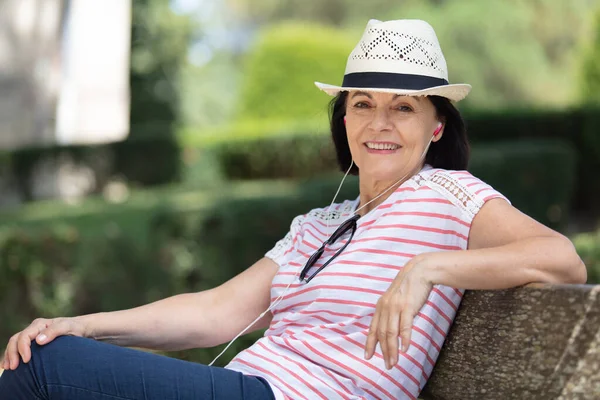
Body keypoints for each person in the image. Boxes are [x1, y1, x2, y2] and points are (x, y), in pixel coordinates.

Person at [0, 19, 586, 400]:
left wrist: (426, 269)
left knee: (40, 374)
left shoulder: (449, 195)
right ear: (345, 120)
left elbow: (562, 259)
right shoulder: (319, 224)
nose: (379, 123)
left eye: (403, 107)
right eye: (363, 104)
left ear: (436, 125)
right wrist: (79, 325)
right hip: (250, 386)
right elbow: (213, 315)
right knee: (50, 350)